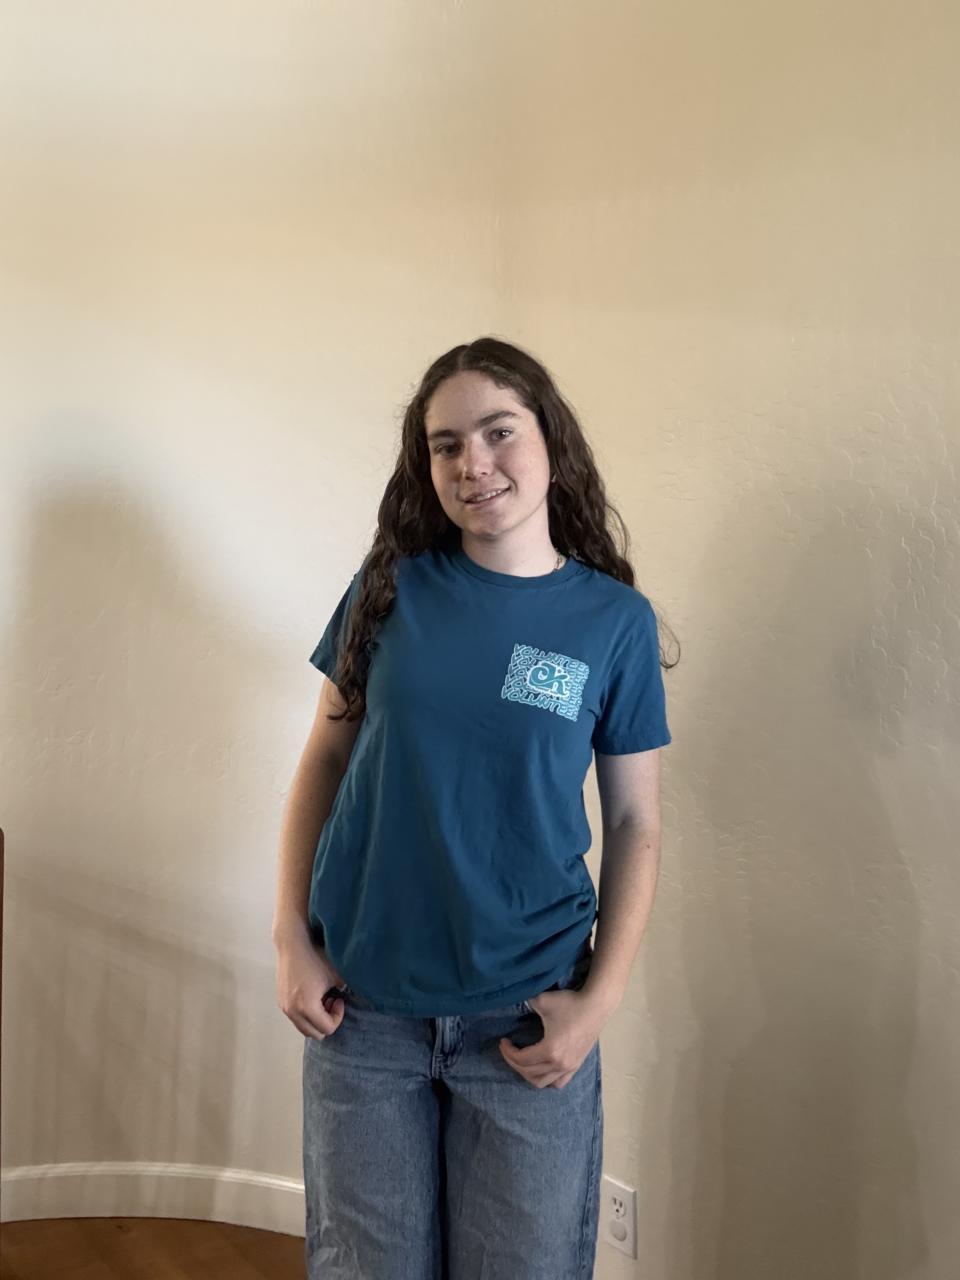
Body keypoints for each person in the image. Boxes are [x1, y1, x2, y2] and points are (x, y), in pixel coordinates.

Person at [272, 337, 676, 1279]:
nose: (472, 463)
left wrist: (599, 1002)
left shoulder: (612, 622)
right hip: (362, 1013)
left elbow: (635, 824)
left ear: (551, 442)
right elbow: (325, 756)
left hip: (526, 1018)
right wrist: (290, 933)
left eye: (498, 433)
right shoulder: (390, 589)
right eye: (445, 445)